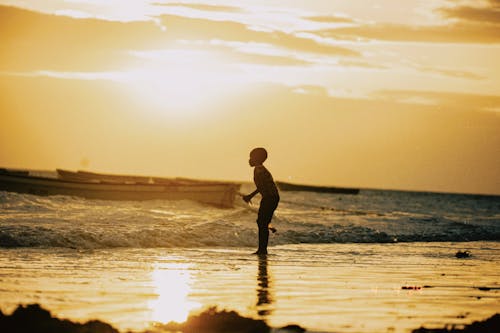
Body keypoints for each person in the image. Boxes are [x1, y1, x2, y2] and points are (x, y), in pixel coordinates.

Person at [243, 147, 280, 255]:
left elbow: (262, 187)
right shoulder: (261, 169)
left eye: (251, 157)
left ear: (257, 159)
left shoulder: (258, 170)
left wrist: (249, 196)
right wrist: (250, 196)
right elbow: (262, 187)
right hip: (272, 197)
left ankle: (262, 250)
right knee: (262, 222)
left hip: (269, 198)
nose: (249, 160)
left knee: (261, 222)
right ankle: (263, 249)